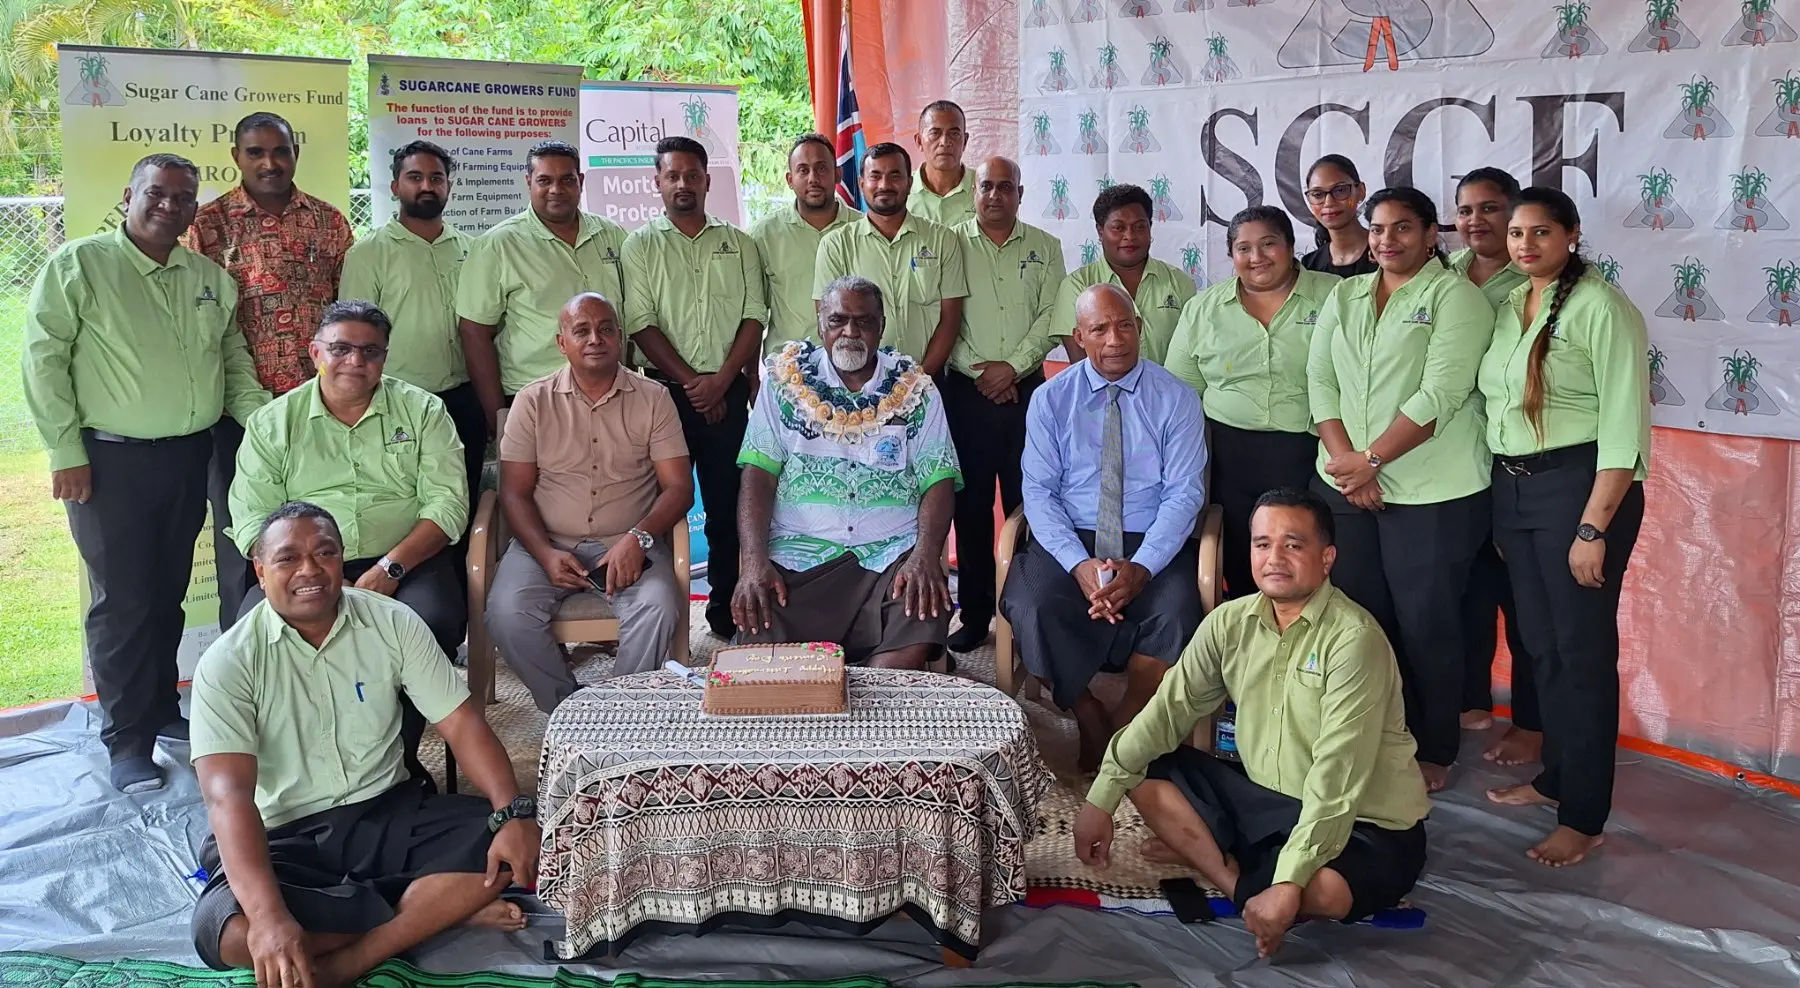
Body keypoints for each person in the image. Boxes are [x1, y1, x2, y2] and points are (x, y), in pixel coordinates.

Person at [188, 502, 540, 987]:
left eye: (325, 553)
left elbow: (462, 724)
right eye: (288, 558)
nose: (309, 570)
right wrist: (270, 920)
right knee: (227, 933)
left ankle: (356, 956)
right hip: (285, 835)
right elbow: (228, 797)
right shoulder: (228, 662)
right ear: (260, 570)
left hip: (388, 812)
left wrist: (510, 812)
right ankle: (432, 912)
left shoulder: (391, 621)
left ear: (341, 560)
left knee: (516, 845)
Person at [1074, 488, 1430, 960]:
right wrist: (1100, 797)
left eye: (1292, 544)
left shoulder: (1354, 640)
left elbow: (1339, 775)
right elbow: (1167, 711)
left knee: (1320, 890)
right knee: (1144, 769)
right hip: (1266, 800)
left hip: (1362, 818)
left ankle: (1251, 875)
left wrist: (1289, 881)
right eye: (1262, 544)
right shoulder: (1229, 622)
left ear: (1327, 559)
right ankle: (1239, 885)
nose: (1274, 558)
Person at [23, 153, 270, 793]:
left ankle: (162, 708)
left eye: (184, 197)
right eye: (157, 193)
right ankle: (126, 738)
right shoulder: (79, 266)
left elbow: (233, 364)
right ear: (130, 195)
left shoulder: (208, 277)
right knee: (123, 600)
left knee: (165, 591)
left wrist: (272, 425)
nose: (170, 205)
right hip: (108, 462)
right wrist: (64, 451)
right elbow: (43, 362)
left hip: (189, 455)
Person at [1478, 188, 1650, 867]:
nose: (1524, 244)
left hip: (1581, 490)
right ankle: (1556, 779)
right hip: (1515, 488)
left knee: (1581, 655)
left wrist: (1592, 529)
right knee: (1540, 646)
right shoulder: (1508, 303)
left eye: (1540, 232)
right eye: (1515, 232)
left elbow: (1623, 428)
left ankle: (1585, 815)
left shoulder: (1602, 308)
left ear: (1572, 236)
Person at [228, 300, 468, 783]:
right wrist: (312, 571)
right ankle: (302, 775)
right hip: (304, 567)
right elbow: (254, 519)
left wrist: (392, 568)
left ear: (385, 357)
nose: (355, 362)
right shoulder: (273, 422)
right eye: (340, 349)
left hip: (405, 561)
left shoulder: (423, 411)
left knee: (431, 622)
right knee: (261, 638)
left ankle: (396, 764)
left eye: (370, 351)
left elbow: (448, 505)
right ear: (315, 351)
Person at [1305, 186, 1497, 793]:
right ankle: (1369, 735)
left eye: (1403, 228)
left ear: (1430, 233)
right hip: (1348, 485)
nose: (1388, 241)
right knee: (1361, 622)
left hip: (1433, 492)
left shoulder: (1457, 298)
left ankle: (1435, 745)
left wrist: (1372, 460)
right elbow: (1319, 379)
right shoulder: (1347, 293)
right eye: (1379, 229)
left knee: (1427, 624)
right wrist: (1346, 463)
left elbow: (1440, 394)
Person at [1002, 284, 1208, 770]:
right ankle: (1088, 712)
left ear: (1139, 329)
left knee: (1178, 612)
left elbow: (1185, 493)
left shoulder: (1176, 398)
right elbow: (1038, 492)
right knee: (1030, 602)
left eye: (1125, 325)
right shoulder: (1052, 399)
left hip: (1150, 537)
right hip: (1071, 537)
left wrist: (1143, 566)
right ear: (1079, 337)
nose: (1115, 339)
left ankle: (1126, 721)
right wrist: (1078, 564)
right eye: (1100, 329)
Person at [733, 276, 962, 669]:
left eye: (864, 321)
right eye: (838, 320)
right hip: (800, 555)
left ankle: (873, 712)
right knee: (761, 636)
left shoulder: (916, 390)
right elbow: (758, 475)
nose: (850, 332)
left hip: (889, 554)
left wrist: (925, 554)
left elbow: (939, 480)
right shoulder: (783, 383)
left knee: (920, 609)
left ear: (882, 326)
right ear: (820, 322)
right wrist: (754, 560)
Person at [487, 293, 692, 713]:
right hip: (545, 540)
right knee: (506, 613)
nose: (595, 338)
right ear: (562, 342)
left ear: (620, 338)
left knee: (658, 605)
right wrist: (544, 553)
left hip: (627, 540)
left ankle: (620, 713)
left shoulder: (654, 398)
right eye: (581, 330)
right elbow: (514, 492)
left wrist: (638, 538)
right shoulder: (532, 401)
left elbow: (679, 488)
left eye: (606, 329)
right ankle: (569, 710)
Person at [189, 111, 354, 632]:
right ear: (236, 157)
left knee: (318, 537)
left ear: (295, 154)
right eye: (256, 152)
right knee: (247, 538)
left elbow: (345, 315)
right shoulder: (208, 226)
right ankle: (246, 661)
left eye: (280, 151)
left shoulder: (328, 223)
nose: (269, 162)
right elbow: (202, 320)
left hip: (318, 412)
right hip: (237, 414)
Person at [622, 136, 766, 639]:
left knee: (730, 505)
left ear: (708, 180)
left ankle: (726, 608)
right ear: (657, 182)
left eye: (692, 175)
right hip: (662, 397)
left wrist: (722, 381)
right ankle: (656, 614)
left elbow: (754, 316)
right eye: (672, 175)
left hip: (726, 395)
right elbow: (639, 322)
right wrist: (690, 384)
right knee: (657, 504)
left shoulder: (740, 243)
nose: (683, 183)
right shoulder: (638, 246)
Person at [1166, 206, 1339, 599]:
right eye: (1244, 248)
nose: (1257, 257)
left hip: (1314, 449)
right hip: (1229, 453)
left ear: (1291, 247)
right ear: (1231, 256)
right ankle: (1253, 640)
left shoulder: (1335, 296)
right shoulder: (1203, 309)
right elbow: (1181, 393)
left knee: (1309, 552)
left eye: (1268, 244)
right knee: (1247, 559)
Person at [942, 157, 1066, 653]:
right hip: (965, 394)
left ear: (1020, 192)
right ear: (974, 191)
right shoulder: (949, 241)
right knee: (969, 507)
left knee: (1030, 504)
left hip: (1026, 394)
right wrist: (982, 371)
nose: (995, 195)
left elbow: (1051, 317)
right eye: (986, 187)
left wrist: (1011, 369)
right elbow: (943, 315)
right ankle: (974, 615)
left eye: (1005, 187)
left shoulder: (1045, 247)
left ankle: (1026, 615)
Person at [1447, 167, 1541, 754]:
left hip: (1513, 463)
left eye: (1490, 209)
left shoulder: (1532, 280)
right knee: (1465, 590)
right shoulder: (1441, 277)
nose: (1477, 221)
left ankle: (1532, 721)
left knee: (1524, 597)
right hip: (1452, 466)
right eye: (1465, 210)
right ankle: (1469, 699)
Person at [340, 141, 485, 523]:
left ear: (448, 186)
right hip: (397, 404)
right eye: (415, 177)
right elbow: (354, 336)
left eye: (436, 178)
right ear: (394, 187)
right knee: (407, 508)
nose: (426, 186)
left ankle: (459, 583)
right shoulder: (370, 252)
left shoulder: (471, 249)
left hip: (462, 400)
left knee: (461, 504)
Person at [457, 140, 629, 437]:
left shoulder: (611, 235)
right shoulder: (498, 245)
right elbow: (474, 332)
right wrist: (498, 415)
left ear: (581, 181)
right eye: (544, 180)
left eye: (567, 180)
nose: (556, 190)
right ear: (528, 182)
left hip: (611, 395)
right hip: (534, 400)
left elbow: (628, 315)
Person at [812, 142, 967, 369]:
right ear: (861, 183)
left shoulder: (942, 239)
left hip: (929, 380)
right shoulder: (836, 244)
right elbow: (828, 322)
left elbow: (950, 320)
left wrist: (919, 380)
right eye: (875, 176)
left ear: (910, 182)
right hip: (859, 384)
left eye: (895, 176)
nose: (884, 185)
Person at [1052, 184, 1195, 364]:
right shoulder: (1077, 286)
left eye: (1139, 227)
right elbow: (1080, 365)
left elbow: (1191, 356)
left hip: (1168, 391)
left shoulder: (1179, 283)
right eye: (1118, 228)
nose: (1130, 236)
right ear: (1100, 231)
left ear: (1150, 228)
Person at [751, 133, 857, 356]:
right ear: (790, 180)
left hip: (853, 363)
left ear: (837, 174)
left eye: (821, 168)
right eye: (803, 170)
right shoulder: (764, 234)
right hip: (787, 366)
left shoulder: (863, 228)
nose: (813, 178)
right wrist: (751, 374)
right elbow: (753, 311)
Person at [1298, 155, 1377, 279]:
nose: (1328, 202)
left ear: (1361, 191)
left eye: (1340, 190)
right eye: (1318, 194)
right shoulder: (1310, 265)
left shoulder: (1385, 252)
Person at [908, 100, 975, 227]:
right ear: (919, 141)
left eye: (954, 134)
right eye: (935, 133)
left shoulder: (985, 188)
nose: (944, 142)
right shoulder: (902, 191)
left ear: (965, 141)